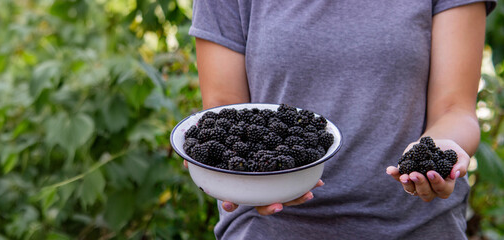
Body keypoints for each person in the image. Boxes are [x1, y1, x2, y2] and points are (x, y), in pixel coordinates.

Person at [187, 0, 497, 239]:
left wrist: (439, 149)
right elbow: (225, 113)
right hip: (269, 227)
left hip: (416, 227)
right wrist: (230, 171)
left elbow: (455, 108)